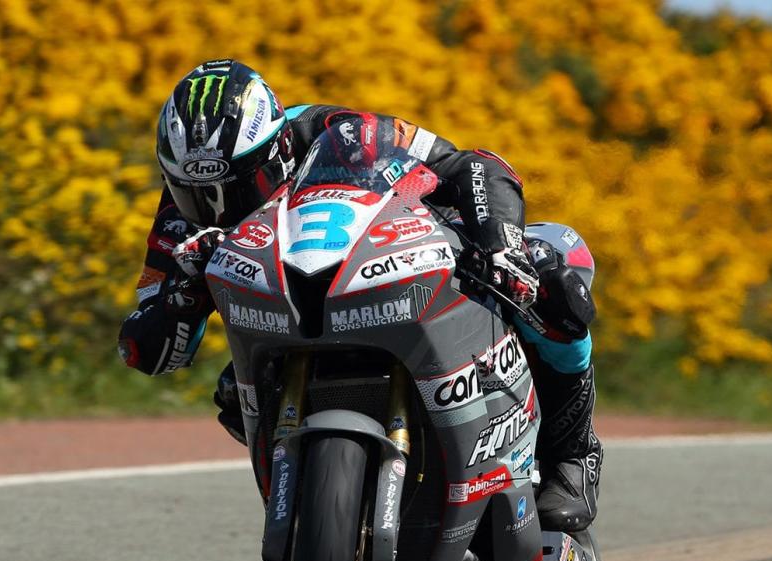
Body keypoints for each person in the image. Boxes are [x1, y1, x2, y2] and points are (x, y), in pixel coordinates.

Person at [118, 60, 602, 531]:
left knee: (550, 279)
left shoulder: (343, 132)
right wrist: (183, 289)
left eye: (242, 185)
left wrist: (502, 245)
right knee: (230, 390)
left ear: (279, 147)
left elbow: (475, 165)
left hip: (413, 265)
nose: (217, 207)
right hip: (296, 325)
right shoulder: (180, 213)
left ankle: (573, 456)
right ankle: (318, 511)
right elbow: (146, 350)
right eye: (194, 193)